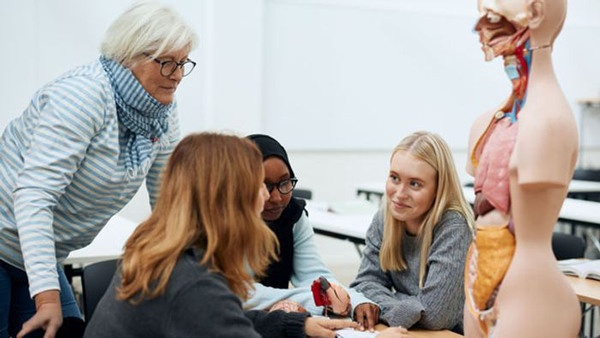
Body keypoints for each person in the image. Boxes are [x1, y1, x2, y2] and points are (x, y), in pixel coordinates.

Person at [0, 2, 197, 337]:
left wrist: (197, 275)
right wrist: (47, 297)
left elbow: (168, 201)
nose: (177, 75)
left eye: (182, 63)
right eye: (166, 63)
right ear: (128, 55)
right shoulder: (83, 96)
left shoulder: (160, 110)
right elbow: (34, 196)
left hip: (43, 250)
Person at [84, 132, 405, 338]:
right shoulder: (194, 284)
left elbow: (223, 320)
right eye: (258, 187)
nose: (270, 198)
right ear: (228, 199)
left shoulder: (161, 252)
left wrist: (297, 325)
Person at [464, 0, 580, 336]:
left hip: (531, 291)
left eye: (493, 16)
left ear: (536, 12)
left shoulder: (549, 122)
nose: (481, 28)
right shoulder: (489, 123)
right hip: (477, 273)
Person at [244, 134, 377, 329]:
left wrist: (354, 300)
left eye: (284, 183)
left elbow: (314, 274)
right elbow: (241, 293)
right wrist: (315, 298)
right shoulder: (226, 223)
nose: (277, 197)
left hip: (277, 324)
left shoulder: (293, 215)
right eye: (265, 185)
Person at [350, 131, 474, 333]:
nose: (399, 194)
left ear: (438, 188)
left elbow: (435, 316)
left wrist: (382, 303)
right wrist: (415, 305)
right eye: (394, 178)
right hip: (409, 331)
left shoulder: (454, 227)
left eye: (414, 184)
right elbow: (363, 284)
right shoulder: (385, 218)